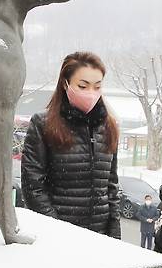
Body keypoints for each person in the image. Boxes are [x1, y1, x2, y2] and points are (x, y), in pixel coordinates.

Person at [21, 51, 121, 238]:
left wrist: (114, 232)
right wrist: (58, 229)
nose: (91, 93)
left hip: (99, 237)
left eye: (97, 86)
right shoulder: (43, 124)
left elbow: (111, 185)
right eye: (83, 86)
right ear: (65, 83)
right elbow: (33, 186)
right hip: (57, 236)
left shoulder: (108, 126)